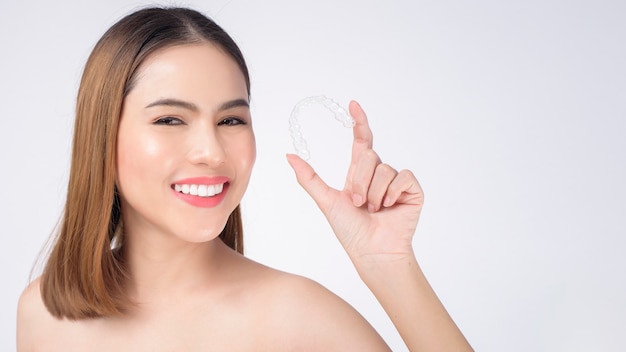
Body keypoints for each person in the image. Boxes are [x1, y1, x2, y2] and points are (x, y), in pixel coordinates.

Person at [16, 7, 472, 351]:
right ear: (102, 136)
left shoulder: (301, 320)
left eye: (231, 121)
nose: (212, 153)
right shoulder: (45, 313)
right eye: (171, 120)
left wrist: (388, 265)